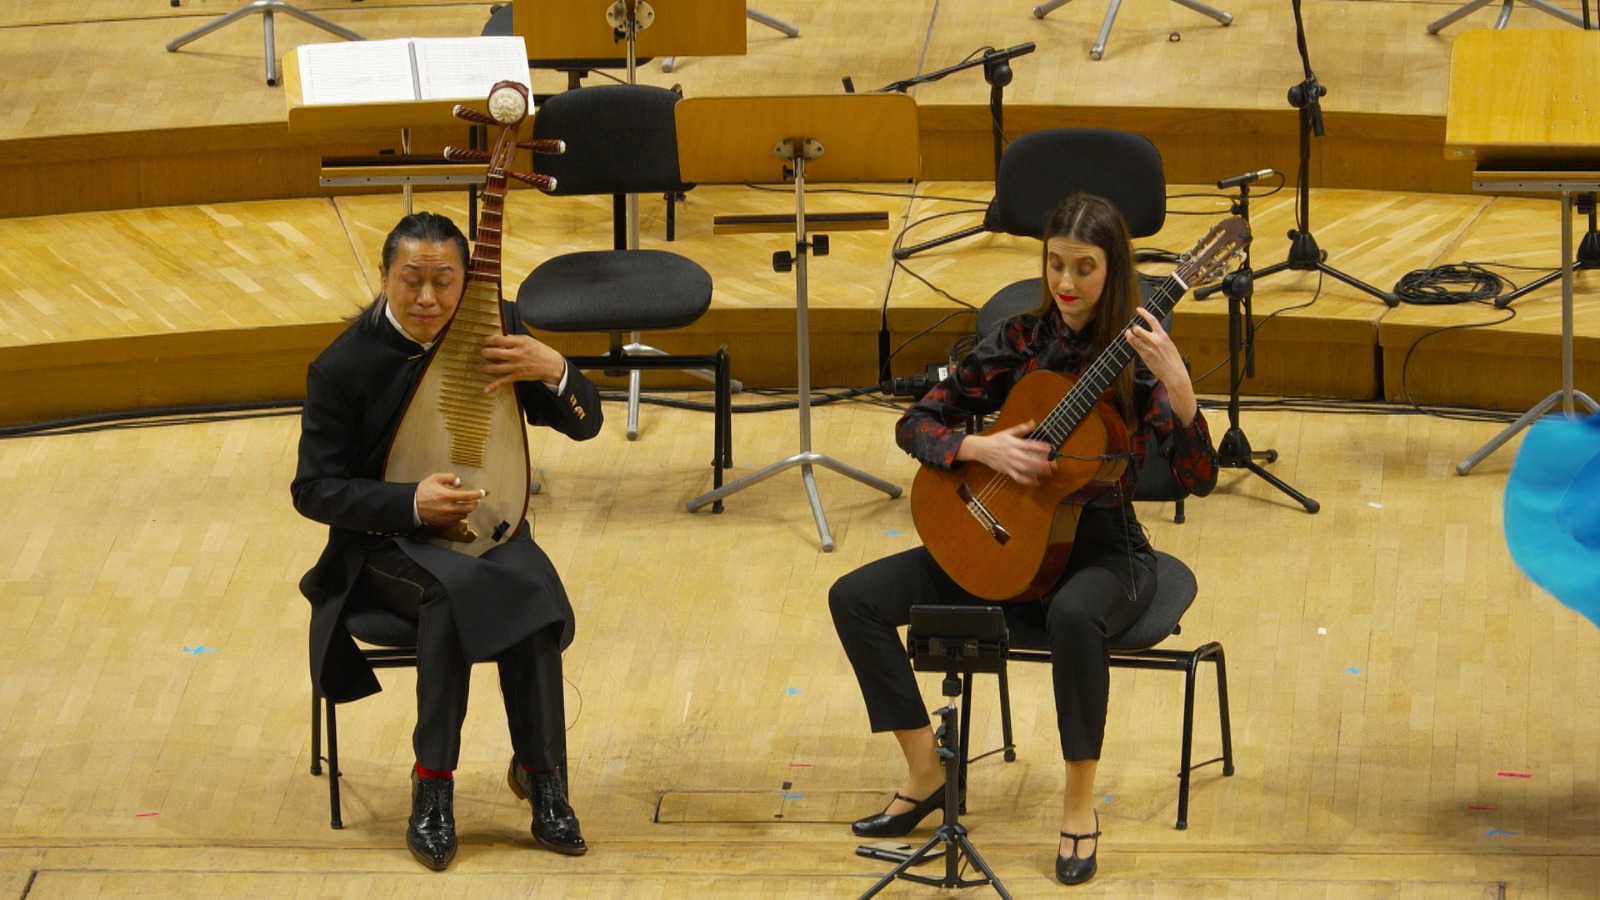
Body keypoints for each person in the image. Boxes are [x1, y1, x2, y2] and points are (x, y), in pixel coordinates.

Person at [829, 192, 1219, 886]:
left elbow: (1197, 477)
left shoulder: (1137, 357)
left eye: (1085, 269)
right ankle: (926, 773)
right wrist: (981, 450)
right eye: (1055, 264)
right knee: (853, 597)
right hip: (1008, 539)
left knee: (1073, 616)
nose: (1066, 285)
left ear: (1115, 270)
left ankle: (1078, 804)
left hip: (1104, 555)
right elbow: (916, 423)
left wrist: (1180, 384)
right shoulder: (1019, 340)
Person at [291, 212, 603, 871]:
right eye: (412, 281)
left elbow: (586, 425)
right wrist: (410, 502)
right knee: (450, 596)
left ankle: (544, 778)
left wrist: (554, 370)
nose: (428, 297)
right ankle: (432, 789)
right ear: (384, 279)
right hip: (382, 547)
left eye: (444, 281)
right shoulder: (341, 366)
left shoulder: (498, 328)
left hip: (488, 527)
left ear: (468, 282)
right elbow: (313, 490)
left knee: (536, 595)